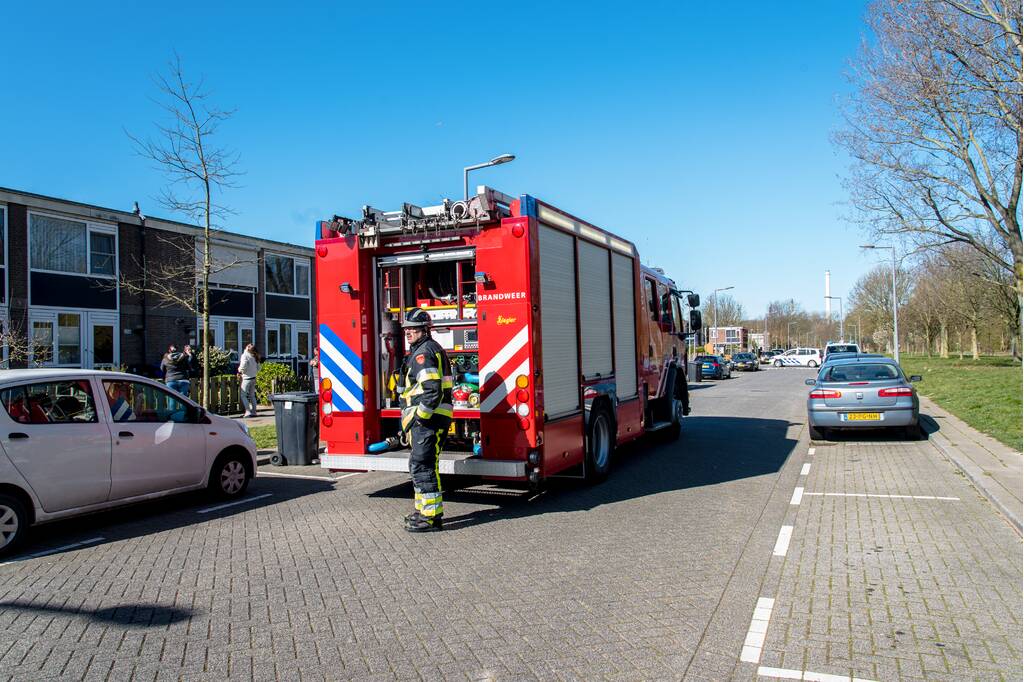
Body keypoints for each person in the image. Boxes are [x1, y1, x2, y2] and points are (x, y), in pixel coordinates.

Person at [397, 308, 453, 533]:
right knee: (420, 465)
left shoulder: (424, 353)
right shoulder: (423, 350)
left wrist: (420, 417)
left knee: (424, 466)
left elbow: (432, 390)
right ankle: (424, 512)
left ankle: (430, 518)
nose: (408, 331)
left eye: (413, 328)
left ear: (424, 329)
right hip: (430, 420)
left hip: (429, 420)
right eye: (406, 328)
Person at [238, 343, 260, 417]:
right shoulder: (255, 356)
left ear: (247, 348)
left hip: (246, 378)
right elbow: (259, 368)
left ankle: (247, 411)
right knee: (252, 396)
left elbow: (243, 365)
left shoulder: (245, 355)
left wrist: (239, 371)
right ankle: (254, 412)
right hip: (253, 378)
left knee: (243, 395)